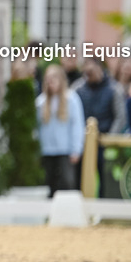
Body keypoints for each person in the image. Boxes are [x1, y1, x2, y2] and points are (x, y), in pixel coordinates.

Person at [73, 59, 128, 197]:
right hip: (83, 142)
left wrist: (109, 137)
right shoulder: (78, 88)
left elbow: (120, 116)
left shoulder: (114, 89)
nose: (89, 75)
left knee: (106, 180)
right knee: (79, 179)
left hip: (105, 143)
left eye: (91, 71)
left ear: (99, 68)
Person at [35, 65, 84, 197]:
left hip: (65, 151)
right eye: (48, 79)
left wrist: (76, 149)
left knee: (67, 184)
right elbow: (36, 129)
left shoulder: (71, 99)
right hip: (47, 151)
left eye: (54, 79)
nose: (51, 83)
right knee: (49, 184)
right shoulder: (40, 102)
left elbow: (77, 126)